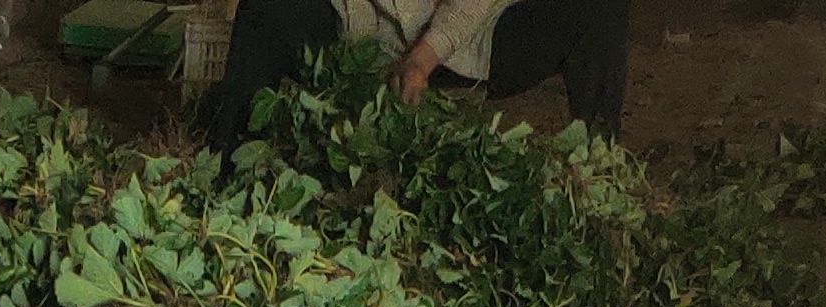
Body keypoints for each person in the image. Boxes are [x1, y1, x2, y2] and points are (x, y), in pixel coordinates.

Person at [208, 0, 628, 155]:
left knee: (598, 8)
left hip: (469, 39)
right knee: (266, 10)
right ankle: (228, 161)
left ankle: (598, 164)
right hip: (361, 34)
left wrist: (423, 58)